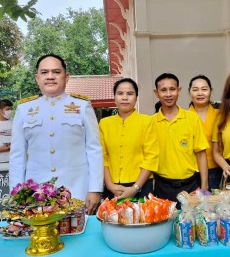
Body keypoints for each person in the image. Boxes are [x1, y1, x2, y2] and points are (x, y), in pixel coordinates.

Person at [9, 54, 103, 214]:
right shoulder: (24, 110)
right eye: (44, 72)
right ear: (37, 78)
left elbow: (94, 149)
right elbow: (17, 155)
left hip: (76, 189)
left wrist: (95, 189)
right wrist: (17, 194)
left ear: (66, 77)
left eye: (56, 72)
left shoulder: (82, 106)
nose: (50, 77)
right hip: (36, 192)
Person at [152, 73, 209, 204]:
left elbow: (201, 154)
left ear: (179, 91)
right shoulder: (151, 123)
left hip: (191, 185)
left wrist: (204, 186)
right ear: (156, 93)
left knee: (192, 222)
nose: (168, 94)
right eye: (163, 90)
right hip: (163, 187)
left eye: (172, 89)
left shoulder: (192, 119)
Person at [99, 78, 159, 200]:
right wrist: (110, 185)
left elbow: (151, 157)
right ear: (114, 97)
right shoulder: (104, 124)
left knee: (142, 219)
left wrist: (135, 188)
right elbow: (102, 157)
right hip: (112, 187)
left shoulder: (147, 122)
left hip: (141, 186)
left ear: (136, 97)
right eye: (120, 93)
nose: (125, 98)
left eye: (130, 94)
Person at [188, 75, 222, 190]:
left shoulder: (221, 115)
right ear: (189, 93)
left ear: (210, 91)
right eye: (195, 89)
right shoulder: (183, 117)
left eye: (204, 89)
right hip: (192, 173)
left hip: (219, 170)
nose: (200, 93)